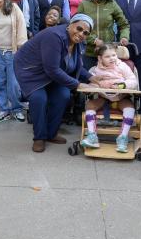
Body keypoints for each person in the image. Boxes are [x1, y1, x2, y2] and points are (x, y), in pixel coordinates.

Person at [14, 14, 95, 153]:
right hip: (31, 71)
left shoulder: (78, 43)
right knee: (39, 98)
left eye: (85, 33)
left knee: (63, 95)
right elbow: (52, 69)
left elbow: (76, 66)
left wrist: (93, 78)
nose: (81, 34)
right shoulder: (54, 36)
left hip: (51, 73)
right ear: (70, 25)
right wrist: (78, 85)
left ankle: (51, 133)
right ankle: (39, 137)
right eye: (79, 28)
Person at [80, 44, 138, 153]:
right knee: (90, 105)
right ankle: (92, 137)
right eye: (107, 56)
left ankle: (123, 137)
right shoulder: (95, 70)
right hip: (104, 98)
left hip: (121, 97)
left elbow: (133, 81)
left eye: (114, 55)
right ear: (100, 58)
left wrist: (121, 85)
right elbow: (90, 83)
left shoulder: (123, 66)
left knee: (130, 107)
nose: (112, 58)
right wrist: (94, 86)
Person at [77, 0, 130, 70]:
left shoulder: (112, 4)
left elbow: (124, 24)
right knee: (88, 82)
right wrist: (94, 40)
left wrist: (124, 37)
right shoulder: (84, 4)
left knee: (106, 82)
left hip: (107, 54)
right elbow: (77, 27)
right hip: (87, 52)